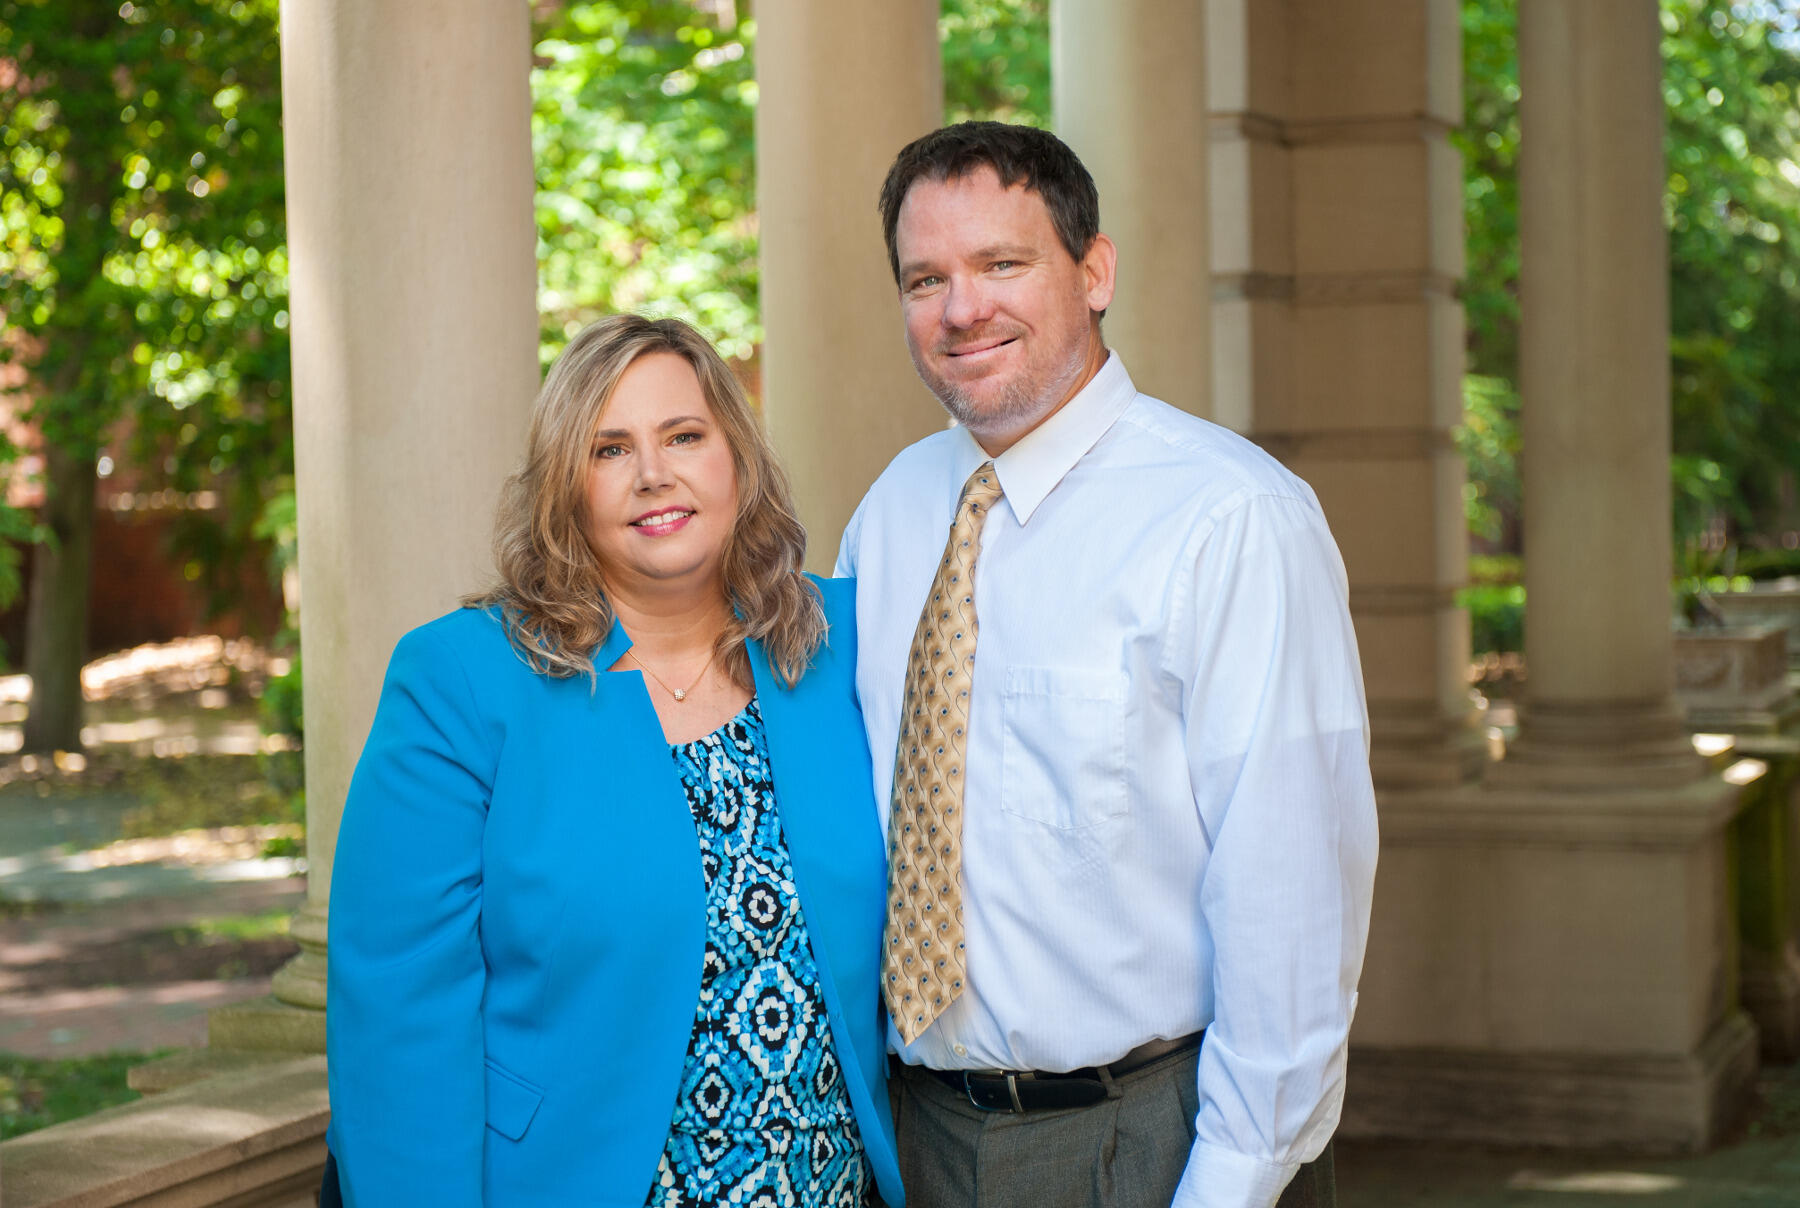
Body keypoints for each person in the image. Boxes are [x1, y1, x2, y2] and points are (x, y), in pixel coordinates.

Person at [835, 121, 1378, 1208]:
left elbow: (1291, 899)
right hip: (918, 1135)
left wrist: (1226, 1183)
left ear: (1094, 271)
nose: (959, 308)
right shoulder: (892, 511)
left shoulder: (1231, 518)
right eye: (924, 277)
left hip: (1149, 1140)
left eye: (1002, 263)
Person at [325, 314, 904, 1208]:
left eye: (684, 435)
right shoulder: (465, 680)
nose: (653, 474)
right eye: (609, 449)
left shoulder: (839, 642)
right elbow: (398, 1018)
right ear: (567, 486)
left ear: (736, 459)